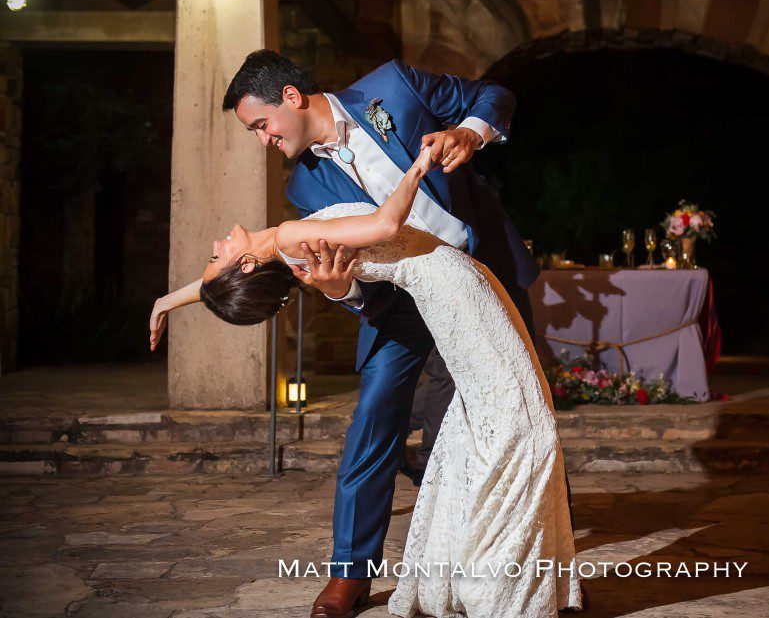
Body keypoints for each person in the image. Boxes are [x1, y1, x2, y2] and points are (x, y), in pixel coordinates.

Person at [149, 50, 584, 617]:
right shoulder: (303, 192)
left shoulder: (393, 88)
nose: (262, 140)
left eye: (261, 125)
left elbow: (493, 96)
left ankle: (542, 565)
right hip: (400, 304)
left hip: (484, 273)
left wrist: (468, 133)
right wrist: (340, 293)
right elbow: (296, 266)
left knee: (523, 418)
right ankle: (349, 575)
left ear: (290, 97)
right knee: (373, 423)